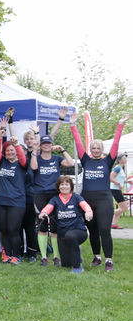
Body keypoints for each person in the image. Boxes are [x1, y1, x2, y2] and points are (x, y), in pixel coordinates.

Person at [70, 112, 129, 271]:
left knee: (104, 229)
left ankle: (108, 260)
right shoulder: (85, 160)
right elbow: (78, 142)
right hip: (87, 200)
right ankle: (97, 256)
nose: (95, 150)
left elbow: (116, 144)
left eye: (98, 148)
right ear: (90, 150)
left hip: (104, 200)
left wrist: (120, 125)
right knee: (93, 230)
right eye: (93, 148)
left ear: (102, 150)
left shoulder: (107, 161)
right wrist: (73, 125)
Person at [30, 135, 75, 266]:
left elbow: (71, 163)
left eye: (48, 143)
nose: (46, 145)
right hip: (40, 194)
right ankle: (44, 257)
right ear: (41, 145)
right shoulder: (37, 158)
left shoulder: (57, 158)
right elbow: (33, 167)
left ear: (52, 144)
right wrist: (34, 150)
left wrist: (62, 150)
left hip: (55, 195)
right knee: (42, 223)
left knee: (55, 225)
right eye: (43, 143)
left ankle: (56, 256)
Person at [39, 176, 94, 273]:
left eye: (67, 184)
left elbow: (84, 204)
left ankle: (78, 267)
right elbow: (49, 207)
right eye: (62, 184)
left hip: (78, 231)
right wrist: (43, 213)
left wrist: (88, 211)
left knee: (71, 237)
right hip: (63, 234)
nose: (64, 187)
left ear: (71, 186)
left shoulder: (76, 197)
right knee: (66, 264)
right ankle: (77, 252)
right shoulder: (55, 199)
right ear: (58, 187)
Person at [0, 119, 28, 265]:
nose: (9, 152)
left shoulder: (22, 164)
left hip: (17, 202)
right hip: (1, 201)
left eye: (11, 150)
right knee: (4, 230)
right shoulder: (2, 162)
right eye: (7, 150)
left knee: (13, 230)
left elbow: (22, 157)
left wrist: (16, 144)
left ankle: (16, 256)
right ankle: (7, 255)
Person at [110, 154, 129, 229]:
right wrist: (118, 184)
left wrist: (127, 182)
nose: (126, 159)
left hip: (117, 189)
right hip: (115, 189)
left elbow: (119, 179)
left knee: (122, 208)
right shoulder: (117, 168)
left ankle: (113, 223)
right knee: (124, 208)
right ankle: (108, 215)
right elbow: (111, 178)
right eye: (124, 158)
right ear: (119, 160)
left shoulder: (121, 168)